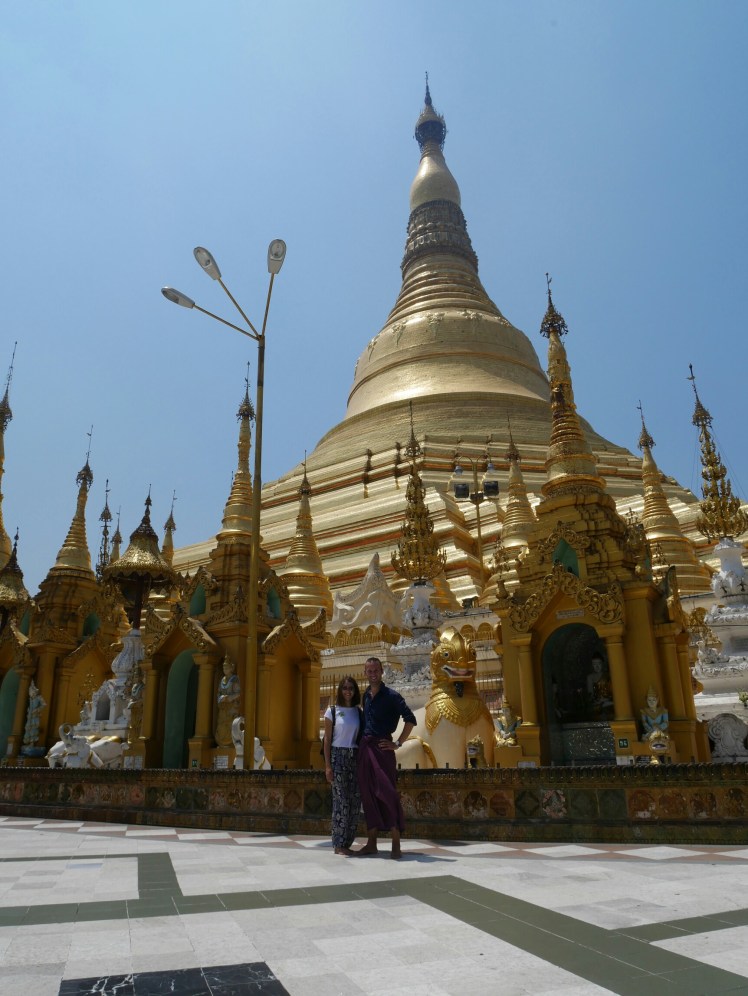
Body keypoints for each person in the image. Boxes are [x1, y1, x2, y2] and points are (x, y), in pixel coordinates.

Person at [355, 656, 416, 860]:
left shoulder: (392, 696)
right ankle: (371, 842)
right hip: (366, 748)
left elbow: (410, 720)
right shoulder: (366, 696)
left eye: (375, 670)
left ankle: (396, 841)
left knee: (387, 792)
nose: (372, 674)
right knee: (368, 794)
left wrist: (397, 743)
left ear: (382, 672)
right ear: (365, 673)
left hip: (383, 749)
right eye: (369, 671)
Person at [323, 676, 363, 855]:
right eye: (345, 688)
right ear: (340, 690)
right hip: (337, 757)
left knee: (354, 802)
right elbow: (326, 740)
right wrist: (328, 766)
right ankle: (338, 843)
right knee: (341, 801)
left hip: (354, 757)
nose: (348, 691)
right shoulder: (332, 711)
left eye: (351, 688)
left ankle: (347, 842)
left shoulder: (358, 712)